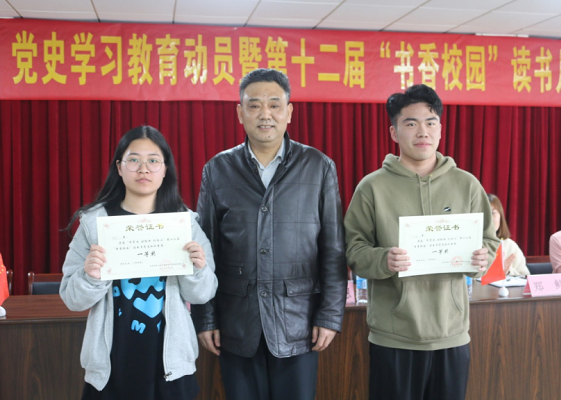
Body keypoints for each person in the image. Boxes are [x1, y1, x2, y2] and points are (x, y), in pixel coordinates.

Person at [190, 68, 347, 400]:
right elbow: (205, 250)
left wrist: (330, 315)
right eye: (254, 105)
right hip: (236, 321)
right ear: (240, 113)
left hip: (299, 321)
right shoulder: (218, 169)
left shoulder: (318, 166)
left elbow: (333, 249)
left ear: (289, 112)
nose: (265, 114)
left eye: (274, 105)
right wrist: (206, 318)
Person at [344, 84, 500, 400]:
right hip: (393, 336)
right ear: (394, 132)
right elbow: (353, 250)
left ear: (440, 129)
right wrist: (383, 259)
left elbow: (489, 241)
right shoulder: (372, 187)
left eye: (430, 122)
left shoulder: (466, 184)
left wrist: (483, 257)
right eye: (411, 123)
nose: (422, 132)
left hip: (451, 333)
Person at [60, 126, 218, 399]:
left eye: (153, 161)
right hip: (110, 367)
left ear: (165, 169)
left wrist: (198, 269)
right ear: (119, 167)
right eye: (133, 160)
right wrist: (90, 276)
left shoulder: (185, 224)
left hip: (171, 366)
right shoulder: (94, 224)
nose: (143, 168)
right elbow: (72, 299)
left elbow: (203, 294)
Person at [487, 193, 529, 276]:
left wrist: (508, 271)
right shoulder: (467, 243)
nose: (488, 218)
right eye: (484, 213)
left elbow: (525, 276)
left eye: (492, 213)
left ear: (501, 217)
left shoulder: (510, 245)